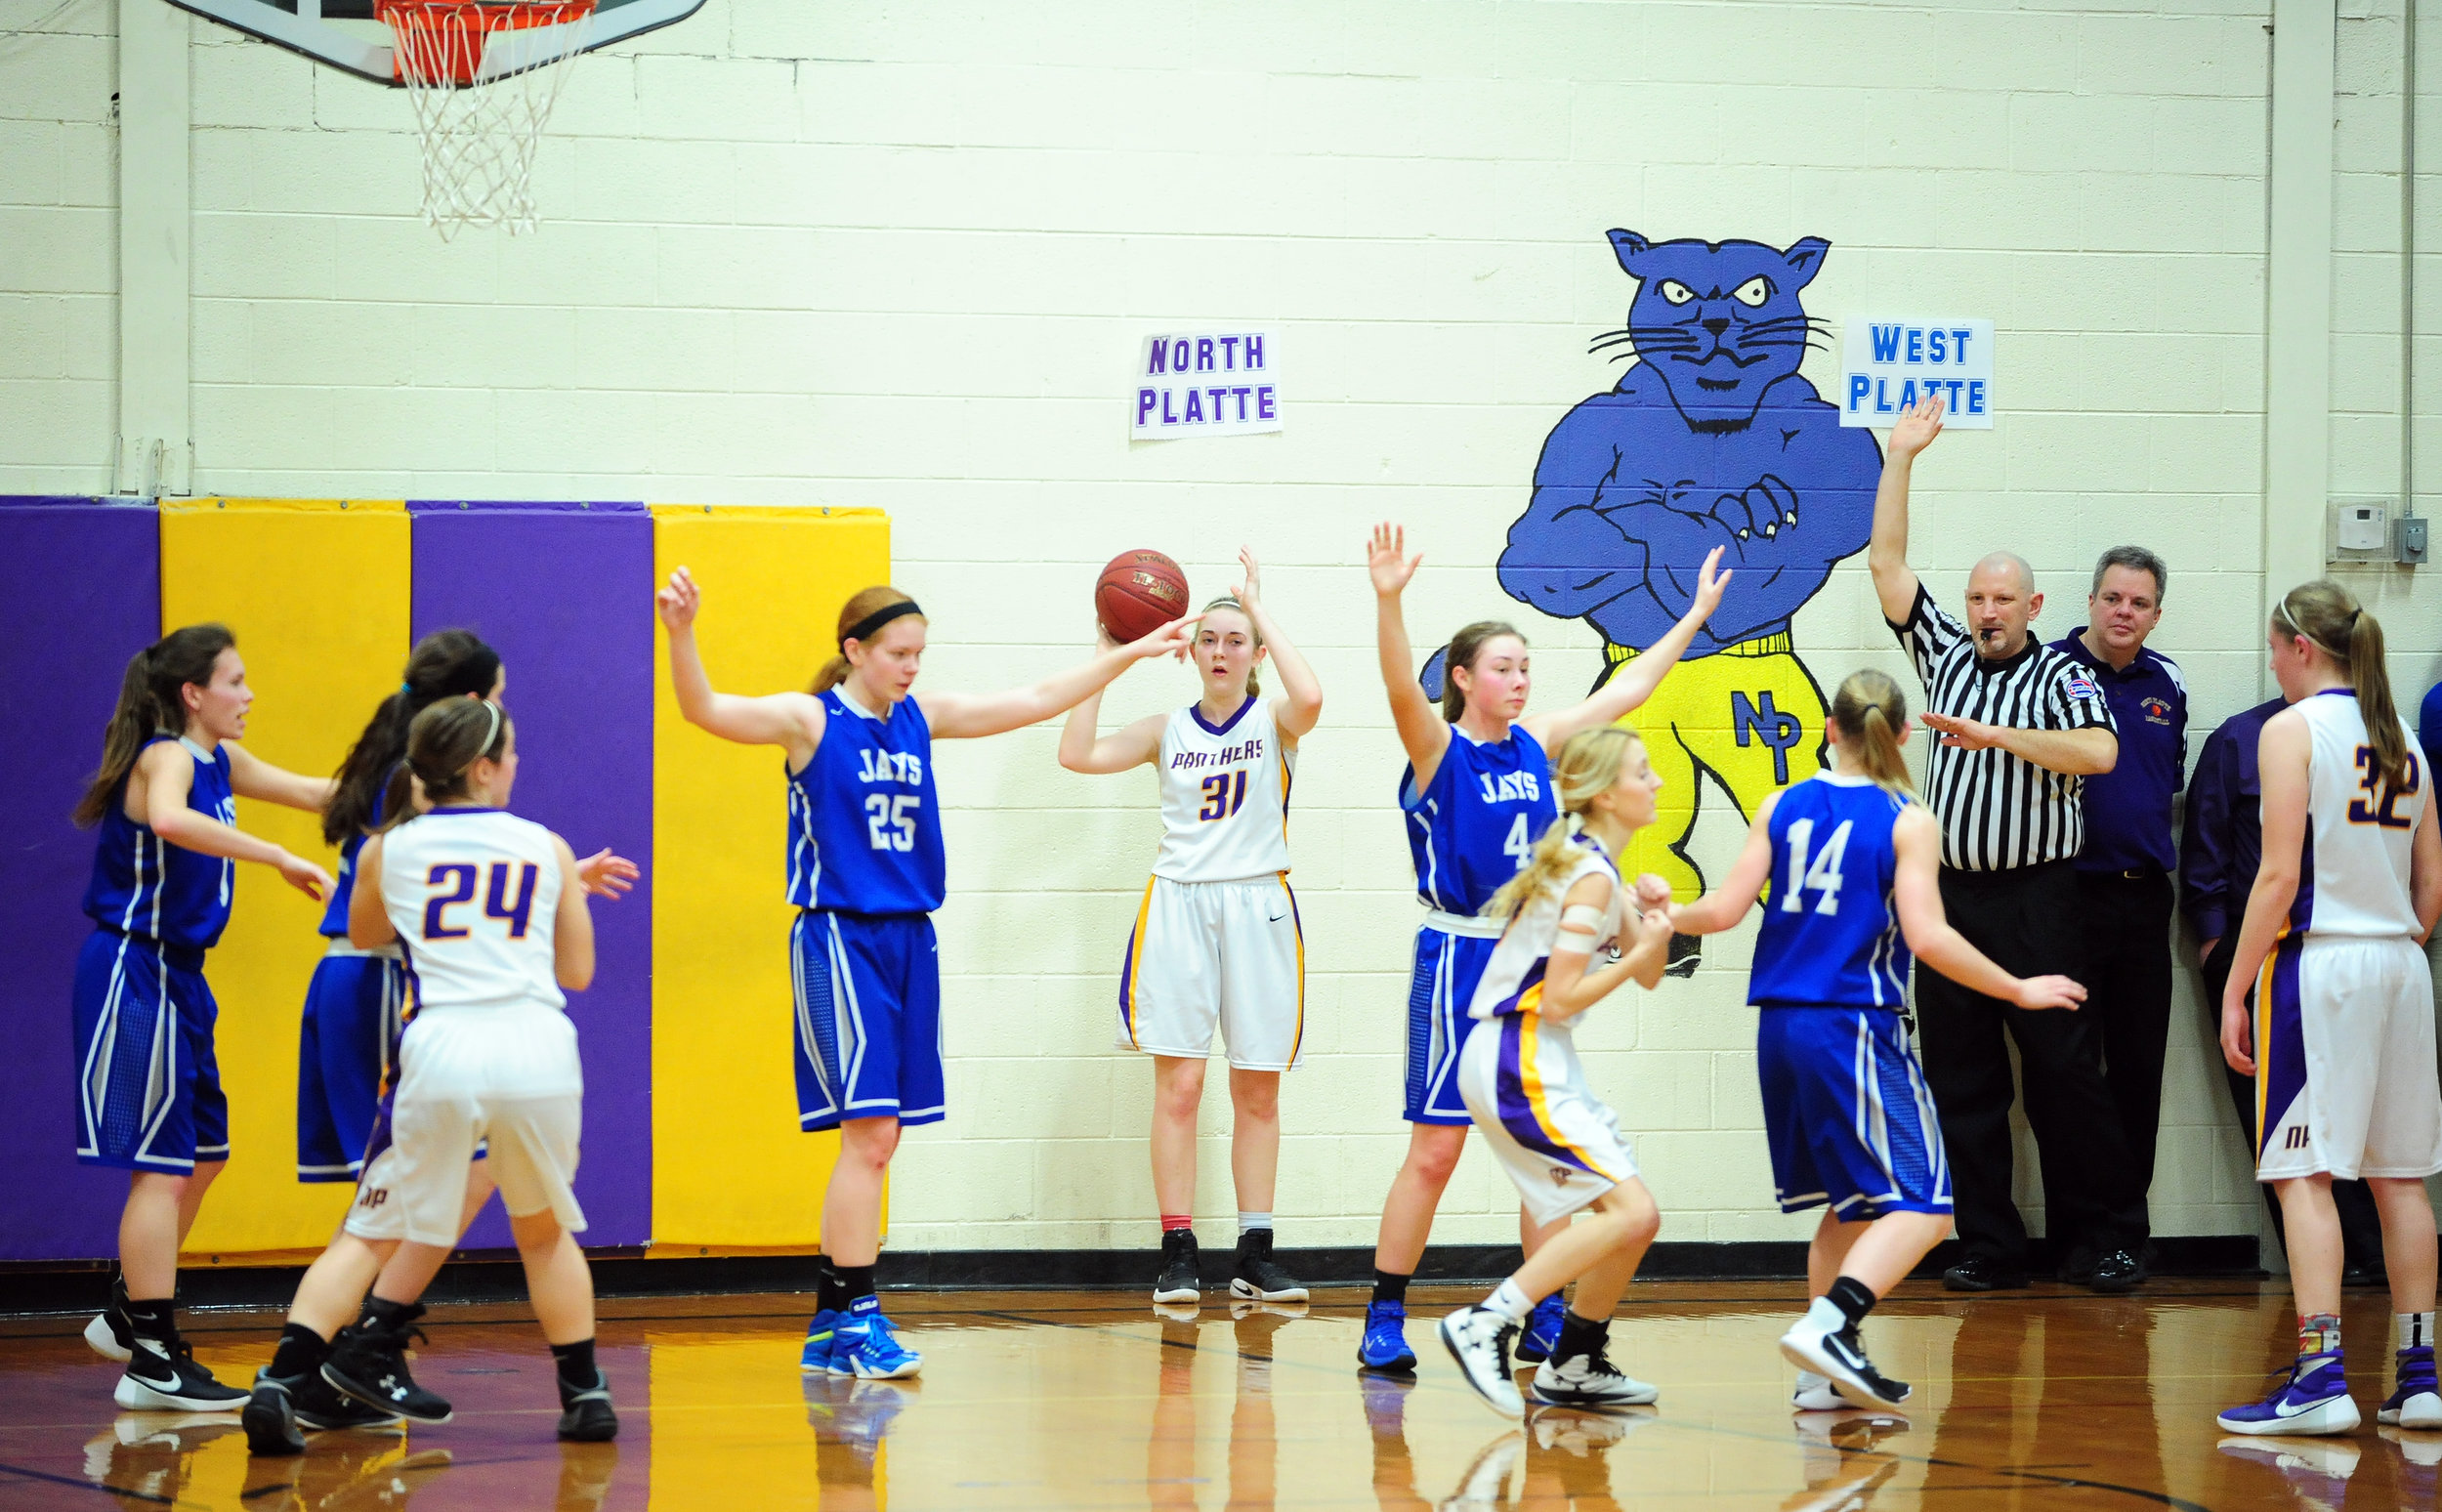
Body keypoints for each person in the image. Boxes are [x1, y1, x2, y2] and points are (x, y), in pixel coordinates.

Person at [658, 568, 1196, 1379]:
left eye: (919, 654)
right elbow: (704, 709)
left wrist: (1129, 651)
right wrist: (682, 634)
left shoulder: (920, 718)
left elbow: (1037, 699)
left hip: (912, 937)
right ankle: (856, 1320)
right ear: (854, 651)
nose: (912, 668)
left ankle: (830, 1323)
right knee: (871, 1136)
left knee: (885, 1136)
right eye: (898, 654)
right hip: (841, 936)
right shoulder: (810, 720)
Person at [1355, 523, 1728, 1374]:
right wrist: (1389, 600)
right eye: (1503, 668)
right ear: (1463, 678)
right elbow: (1397, 687)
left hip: (1526, 959)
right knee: (1436, 1151)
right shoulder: (1439, 751)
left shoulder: (1541, 742)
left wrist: (1694, 616)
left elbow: (1629, 689)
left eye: (1525, 668)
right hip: (1457, 960)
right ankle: (1385, 1311)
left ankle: (1544, 1313)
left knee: (1544, 1155)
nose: (1520, 681)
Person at [1670, 668, 2085, 1410]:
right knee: (1927, 1204)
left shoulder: (1781, 803)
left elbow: (1725, 910)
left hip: (1779, 1028)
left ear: (1830, 729)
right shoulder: (1906, 817)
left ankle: (1820, 1375)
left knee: (1849, 1203)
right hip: (1851, 1022)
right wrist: (2018, 988)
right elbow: (1927, 937)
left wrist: (1662, 913)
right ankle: (1832, 1325)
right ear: (1903, 734)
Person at [244, 698, 618, 1450]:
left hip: (443, 1046)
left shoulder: (388, 848)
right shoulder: (546, 846)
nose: (516, 765)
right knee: (543, 1234)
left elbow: (366, 933)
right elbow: (577, 971)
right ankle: (585, 1396)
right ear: (481, 769)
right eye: (510, 754)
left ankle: (281, 1384)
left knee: (368, 1232)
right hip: (535, 1048)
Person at [1866, 392, 2146, 1293]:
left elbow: (2099, 753)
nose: (1987, 612)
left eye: (2002, 600)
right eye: (1977, 598)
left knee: (2065, 1071)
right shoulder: (1943, 653)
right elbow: (1885, 562)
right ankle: (1990, 1244)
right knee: (1963, 1077)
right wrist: (1901, 456)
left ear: (2033, 605)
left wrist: (1999, 739)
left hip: (2040, 899)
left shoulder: (2062, 673)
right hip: (1953, 900)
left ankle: (2102, 1238)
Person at [70, 624, 337, 1411]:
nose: (249, 695)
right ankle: (153, 1357)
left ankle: (129, 1312)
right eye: (235, 680)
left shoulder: (221, 760)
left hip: (181, 977)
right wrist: (277, 856)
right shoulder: (166, 757)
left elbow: (316, 792)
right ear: (194, 693)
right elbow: (169, 821)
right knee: (163, 1167)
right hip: (134, 968)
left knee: (205, 1155)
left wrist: (418, 777)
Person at [1058, 550, 1324, 1307]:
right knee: (1180, 1087)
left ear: (1257, 653)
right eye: (1209, 639)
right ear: (1190, 651)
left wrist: (1257, 605)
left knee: (1257, 1091)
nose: (1221, 651)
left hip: (1259, 905)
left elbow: (1312, 695)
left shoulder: (1275, 721)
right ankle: (1177, 1250)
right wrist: (1109, 654)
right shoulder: (1163, 729)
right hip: (1179, 904)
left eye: (1236, 640)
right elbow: (1075, 753)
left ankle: (1255, 1254)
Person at [2214, 581, 2442, 1437]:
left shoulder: (2290, 729)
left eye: (2275, 649)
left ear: (2301, 647)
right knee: (2400, 1178)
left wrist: (2236, 986)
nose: (2273, 665)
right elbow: (2433, 883)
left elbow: (2276, 877)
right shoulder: (2403, 737)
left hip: (2322, 965)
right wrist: (2396, 942)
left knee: (2302, 1171)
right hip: (2401, 967)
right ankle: (2420, 1379)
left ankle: (2318, 1379)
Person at [1436, 726, 1676, 1416]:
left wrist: (1654, 921)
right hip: (1517, 1054)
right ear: (1606, 794)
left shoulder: (1601, 868)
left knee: (1633, 1220)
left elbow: (1651, 975)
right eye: (1642, 771)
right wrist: (1638, 952)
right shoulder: (1590, 875)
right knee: (1633, 1212)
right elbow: (1563, 995)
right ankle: (1486, 1320)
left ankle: (1574, 1360)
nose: (1657, 782)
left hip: (1537, 1055)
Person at [2184, 693, 2387, 1281]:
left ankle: (2370, 1256)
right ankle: (2322, 1269)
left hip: (2350, 951)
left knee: (2355, 1108)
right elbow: (2206, 843)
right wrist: (2217, 946)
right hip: (2262, 950)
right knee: (2278, 1118)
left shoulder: (2382, 736)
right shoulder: (2242, 736)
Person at [2047, 546, 2185, 1271]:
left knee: (2137, 1069)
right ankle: (2077, 1236)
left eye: (2139, 603)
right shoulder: (2049, 671)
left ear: (2156, 614)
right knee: (2067, 1072)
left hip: (2144, 900)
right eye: (2113, 598)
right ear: (2092, 601)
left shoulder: (2169, 682)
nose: (2124, 612)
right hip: (2066, 898)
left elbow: (2168, 780)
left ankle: (2125, 1239)